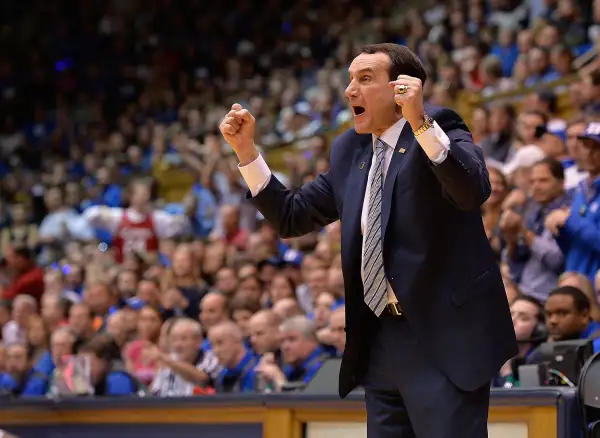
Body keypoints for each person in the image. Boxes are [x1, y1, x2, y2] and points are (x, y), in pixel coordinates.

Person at [220, 43, 516, 438]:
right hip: (379, 341)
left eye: (364, 79)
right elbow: (292, 216)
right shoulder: (350, 150)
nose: (349, 91)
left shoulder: (439, 126)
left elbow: (471, 189)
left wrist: (420, 122)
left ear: (402, 89)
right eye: (349, 80)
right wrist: (246, 152)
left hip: (441, 337)